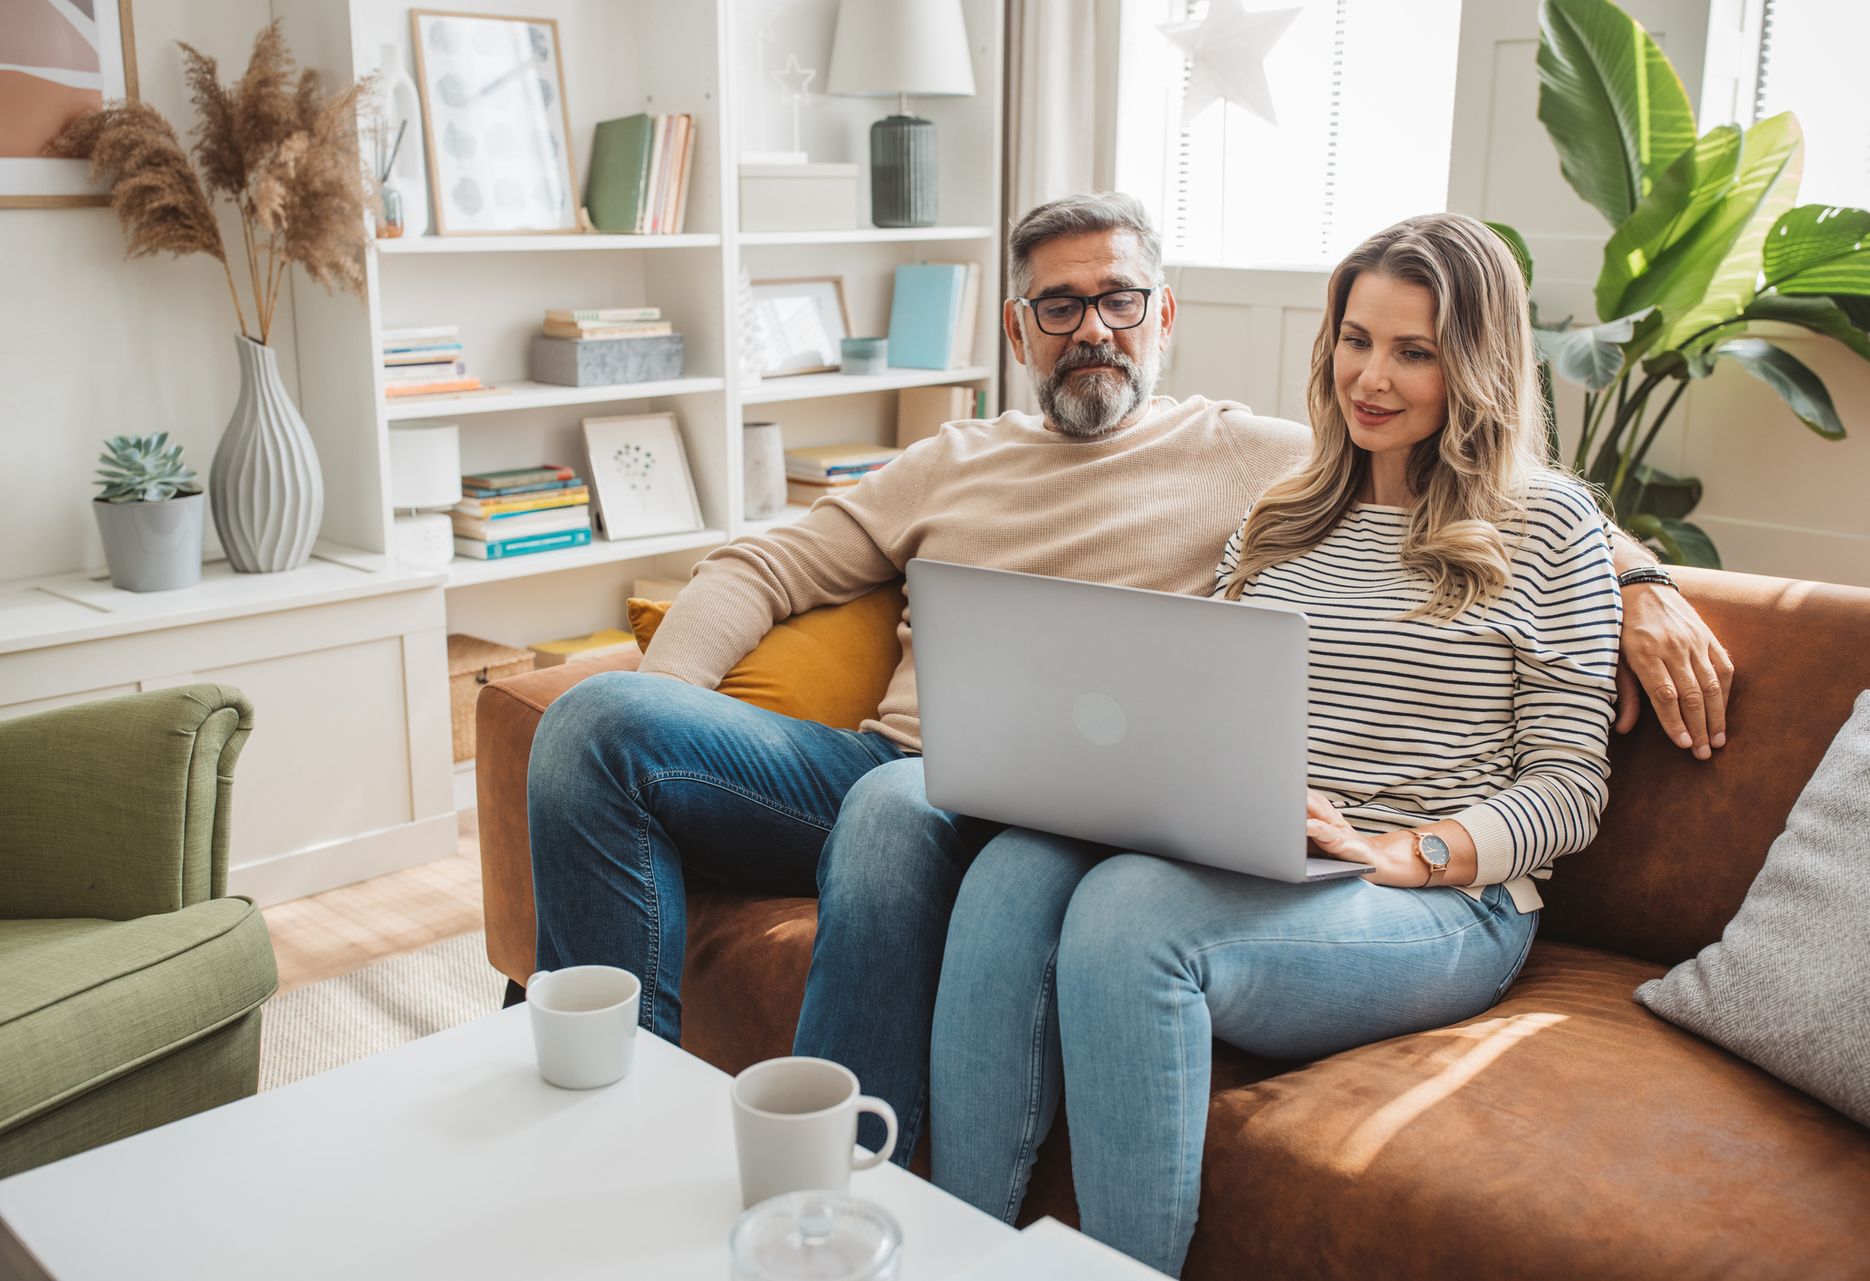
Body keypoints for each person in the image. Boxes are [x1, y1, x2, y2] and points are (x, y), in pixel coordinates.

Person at [525, 194, 1730, 1160]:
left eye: (1118, 299)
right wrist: (679, 694)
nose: (1092, 326)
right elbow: (762, 564)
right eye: (1059, 306)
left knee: (910, 813)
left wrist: (1640, 579)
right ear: (1017, 329)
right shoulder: (960, 458)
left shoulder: (1263, 460)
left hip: (1039, 797)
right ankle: (615, 1106)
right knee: (590, 720)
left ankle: (846, 1174)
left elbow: (1487, 485)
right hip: (881, 763)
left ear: (1163, 318)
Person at [923, 212, 1618, 1273]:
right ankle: (950, 1247)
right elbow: (1206, 708)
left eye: (1413, 351)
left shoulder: (1552, 528)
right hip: (1265, 857)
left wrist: (1414, 850)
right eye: (1354, 338)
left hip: (1443, 901)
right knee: (1013, 867)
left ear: (1475, 366)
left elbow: (1570, 786)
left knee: (1125, 919)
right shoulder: (1283, 515)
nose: (1370, 377)